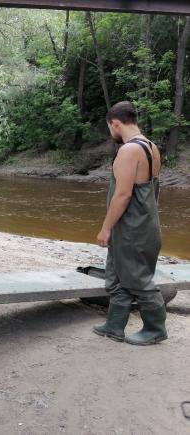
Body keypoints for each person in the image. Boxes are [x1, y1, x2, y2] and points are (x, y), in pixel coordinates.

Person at [93, 101, 167, 345]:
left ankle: (155, 329)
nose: (110, 133)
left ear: (115, 123)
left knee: (138, 280)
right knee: (116, 275)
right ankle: (114, 326)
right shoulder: (151, 147)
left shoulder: (128, 151)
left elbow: (123, 195)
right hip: (142, 224)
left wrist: (105, 228)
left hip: (132, 229)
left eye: (109, 128)